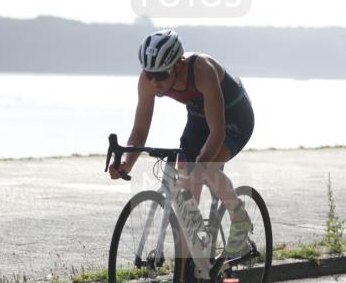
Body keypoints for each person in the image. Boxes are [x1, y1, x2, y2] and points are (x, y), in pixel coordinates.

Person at [108, 29, 255, 257]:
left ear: (178, 65)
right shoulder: (148, 81)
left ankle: (240, 219)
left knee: (205, 169)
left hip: (234, 116)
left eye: (161, 75)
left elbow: (217, 131)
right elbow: (139, 130)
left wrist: (202, 167)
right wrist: (127, 164)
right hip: (198, 117)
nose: (155, 82)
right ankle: (189, 271)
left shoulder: (202, 69)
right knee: (186, 202)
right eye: (150, 74)